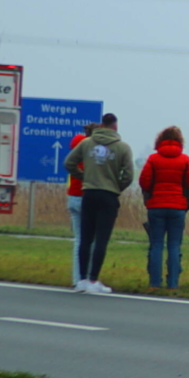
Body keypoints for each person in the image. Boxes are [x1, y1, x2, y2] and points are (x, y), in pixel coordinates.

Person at [64, 113, 135, 294]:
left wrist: (84, 177)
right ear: (115, 127)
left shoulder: (87, 143)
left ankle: (81, 280)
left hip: (88, 193)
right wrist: (117, 186)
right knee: (101, 239)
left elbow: (69, 163)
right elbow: (128, 175)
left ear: (102, 125)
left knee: (85, 238)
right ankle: (94, 279)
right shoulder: (123, 147)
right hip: (108, 195)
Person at [139, 126, 189, 289]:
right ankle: (172, 283)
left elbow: (144, 182)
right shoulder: (185, 160)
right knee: (174, 245)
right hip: (177, 207)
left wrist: (150, 197)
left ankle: (155, 283)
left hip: (156, 205)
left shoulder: (153, 159)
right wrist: (186, 203)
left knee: (156, 244)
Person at [66, 123, 97, 286]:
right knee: (90, 241)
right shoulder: (92, 151)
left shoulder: (75, 149)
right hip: (87, 197)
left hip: (73, 196)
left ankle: (77, 278)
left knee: (79, 239)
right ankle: (87, 278)